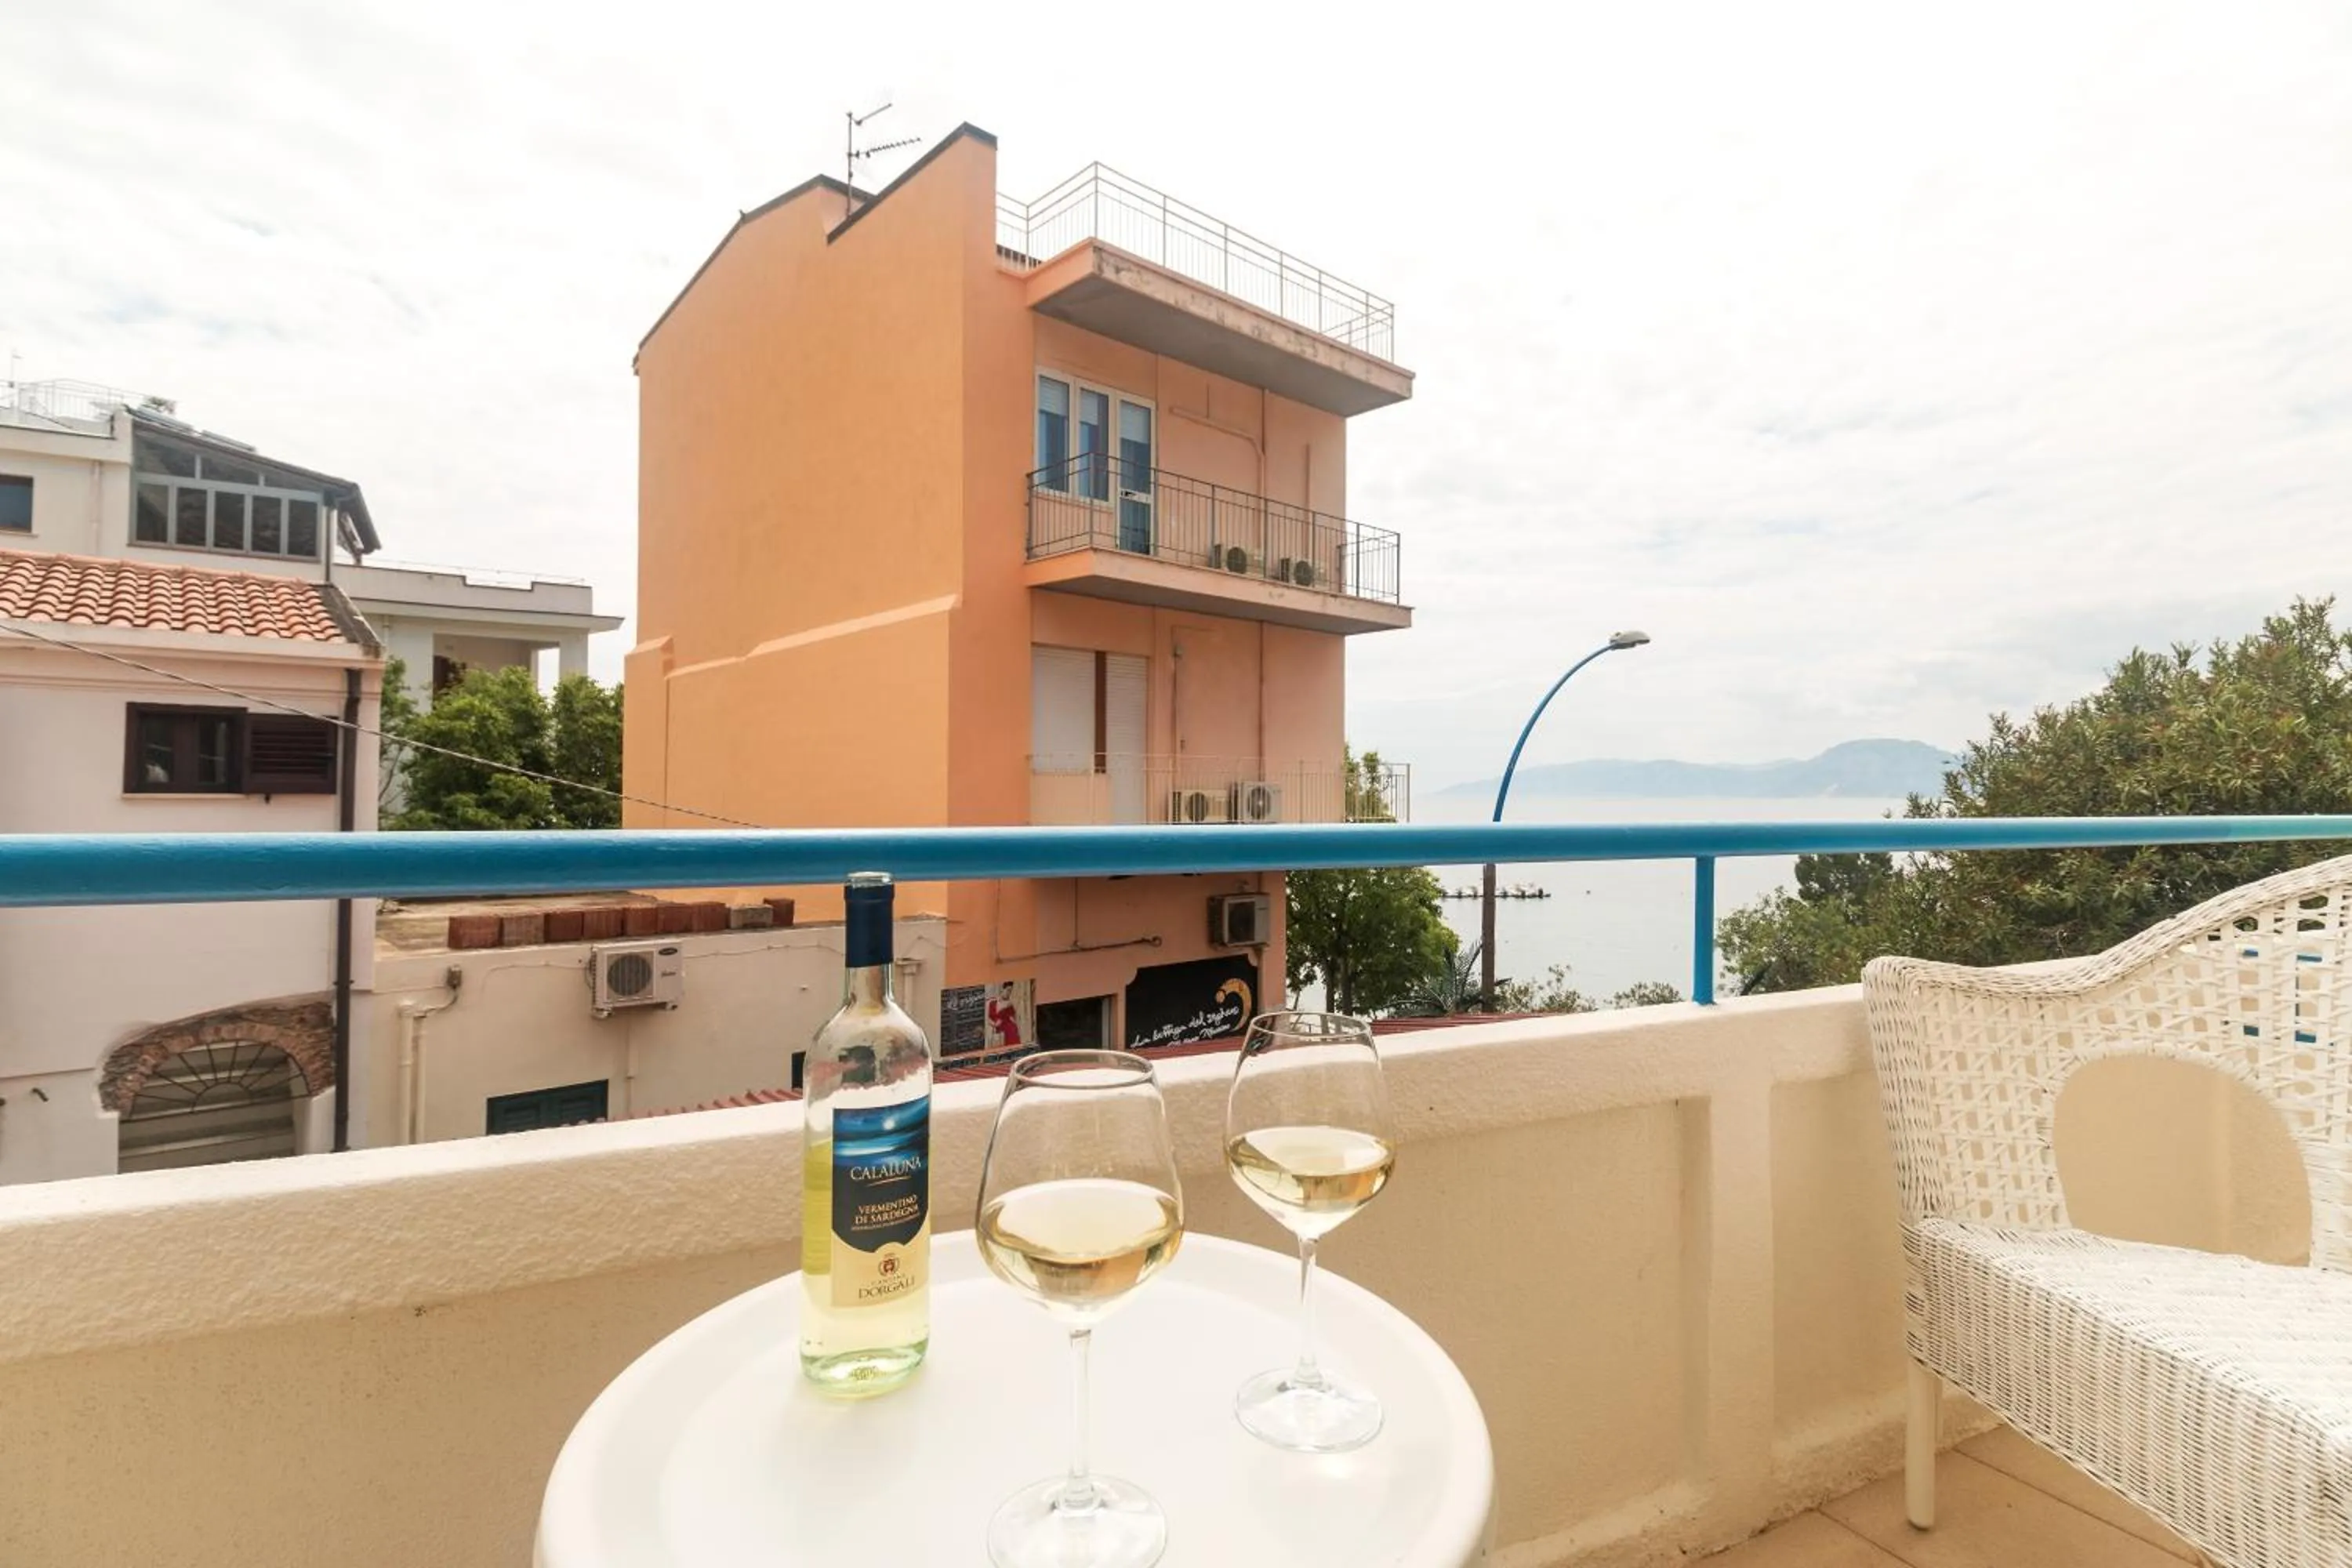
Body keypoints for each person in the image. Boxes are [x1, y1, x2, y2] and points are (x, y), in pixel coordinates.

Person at [986, 982, 1025, 1049]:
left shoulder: (1009, 1004)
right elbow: (989, 1019)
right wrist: (995, 1024)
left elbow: (1013, 1019)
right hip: (1000, 1032)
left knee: (1014, 1048)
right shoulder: (992, 1003)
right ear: (1002, 990)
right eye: (1008, 990)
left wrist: (1018, 1031)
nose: (1009, 993)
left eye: (1010, 991)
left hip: (1010, 1031)